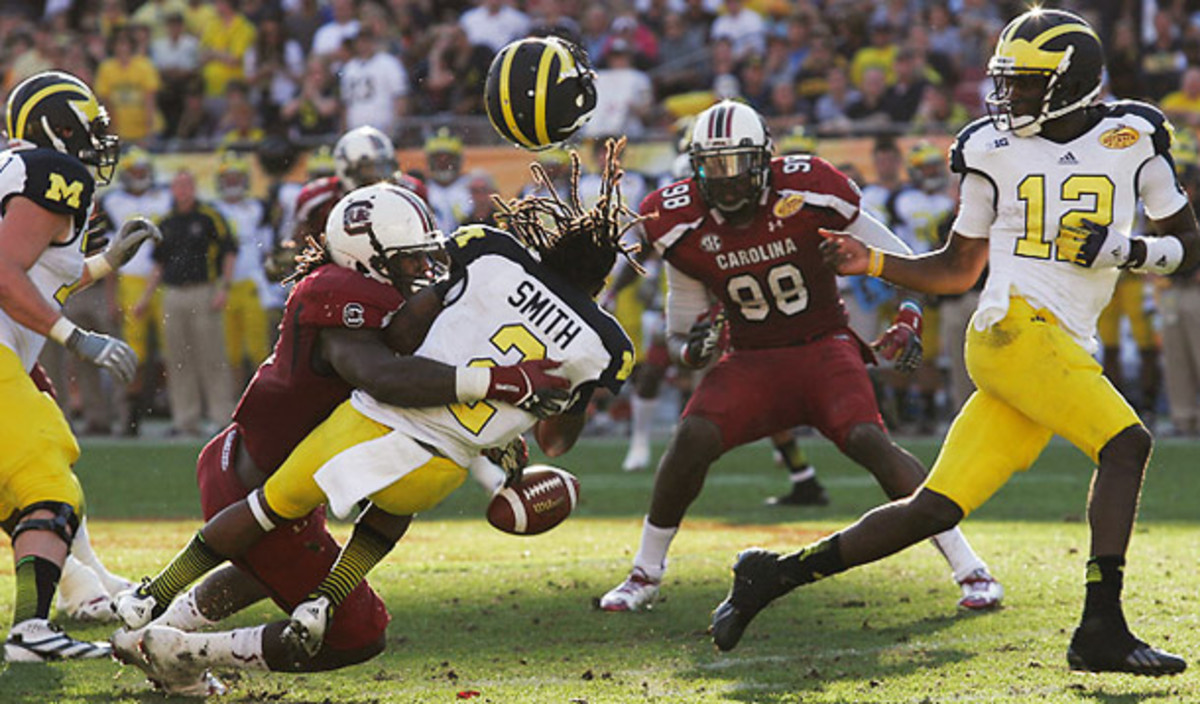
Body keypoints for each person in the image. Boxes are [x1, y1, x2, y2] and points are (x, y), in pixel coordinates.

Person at [714, 10, 1196, 677]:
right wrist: (874, 262)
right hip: (1013, 330)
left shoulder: (1133, 137)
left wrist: (1129, 249)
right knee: (1127, 443)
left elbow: (1189, 248)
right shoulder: (989, 151)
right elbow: (958, 268)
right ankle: (1102, 625)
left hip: (1060, 341)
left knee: (934, 508)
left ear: (1073, 83)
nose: (1009, 97)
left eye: (1025, 83)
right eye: (1008, 82)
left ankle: (773, 575)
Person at [113, 144, 637, 691]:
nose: (424, 268)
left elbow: (434, 358)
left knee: (275, 565)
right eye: (410, 259)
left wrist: (500, 425)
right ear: (369, 258)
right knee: (357, 635)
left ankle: (159, 627)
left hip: (269, 457)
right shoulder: (344, 294)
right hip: (255, 472)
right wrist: (508, 387)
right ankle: (184, 655)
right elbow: (388, 377)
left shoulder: (435, 284)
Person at [598, 100, 1002, 613]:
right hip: (750, 358)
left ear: (764, 160)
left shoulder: (810, 188)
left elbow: (898, 257)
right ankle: (644, 572)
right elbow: (684, 330)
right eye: (712, 166)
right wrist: (689, 348)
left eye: (735, 165)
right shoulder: (678, 219)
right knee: (691, 438)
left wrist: (907, 314)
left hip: (823, 347)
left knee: (870, 442)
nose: (724, 180)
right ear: (694, 165)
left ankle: (971, 567)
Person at [0, 70, 160, 661]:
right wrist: (77, 339)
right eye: (87, 128)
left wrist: (104, 262)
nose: (98, 141)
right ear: (56, 128)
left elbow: (35, 269)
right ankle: (30, 634)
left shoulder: (15, 170)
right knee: (45, 480)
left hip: (9, 349)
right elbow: (5, 273)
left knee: (34, 470)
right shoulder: (54, 172)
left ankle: (79, 586)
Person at [135, 170, 238, 437]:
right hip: (173, 294)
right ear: (172, 190)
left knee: (212, 356)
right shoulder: (165, 222)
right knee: (178, 359)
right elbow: (158, 264)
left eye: (187, 185)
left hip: (203, 291)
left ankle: (221, 417)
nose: (183, 191)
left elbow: (228, 252)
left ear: (194, 188)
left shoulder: (209, 216)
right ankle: (185, 419)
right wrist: (145, 298)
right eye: (178, 186)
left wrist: (223, 288)